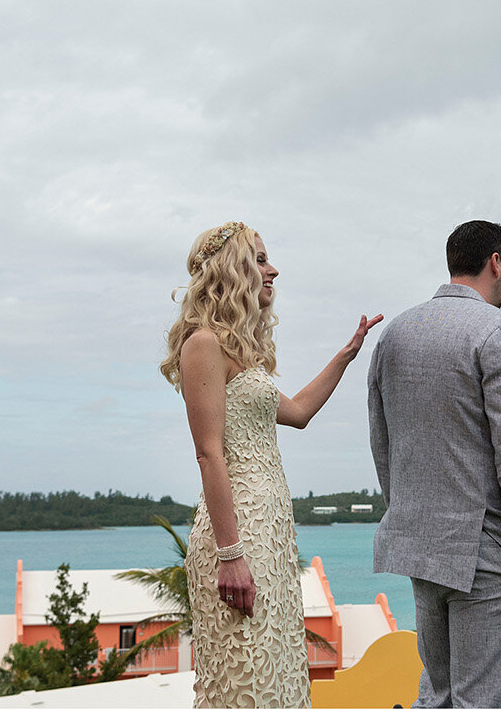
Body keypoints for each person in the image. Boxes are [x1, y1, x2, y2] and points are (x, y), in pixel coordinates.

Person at [162, 221, 381, 708]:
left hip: (273, 539)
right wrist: (230, 554)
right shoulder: (203, 344)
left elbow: (298, 413)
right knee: (244, 683)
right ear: (230, 268)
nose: (272, 270)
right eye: (260, 259)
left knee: (276, 679)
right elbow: (209, 452)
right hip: (237, 539)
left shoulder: (242, 352)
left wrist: (345, 357)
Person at [368, 220, 501, 708]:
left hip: (423, 550)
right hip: (491, 558)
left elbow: (383, 443)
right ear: (495, 262)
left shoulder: (395, 334)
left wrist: (407, 515)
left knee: (440, 698)